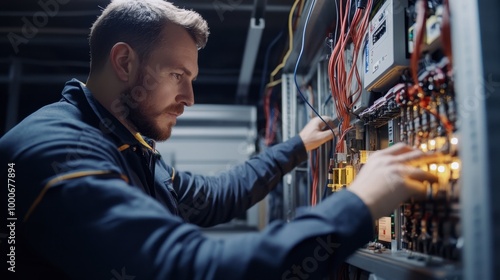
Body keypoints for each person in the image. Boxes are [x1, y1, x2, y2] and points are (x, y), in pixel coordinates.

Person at [0, 0, 437, 279]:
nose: (189, 98)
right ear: (124, 61)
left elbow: (212, 197)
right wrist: (358, 205)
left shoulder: (124, 145)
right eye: (178, 76)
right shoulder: (56, 152)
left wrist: (297, 147)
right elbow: (189, 268)